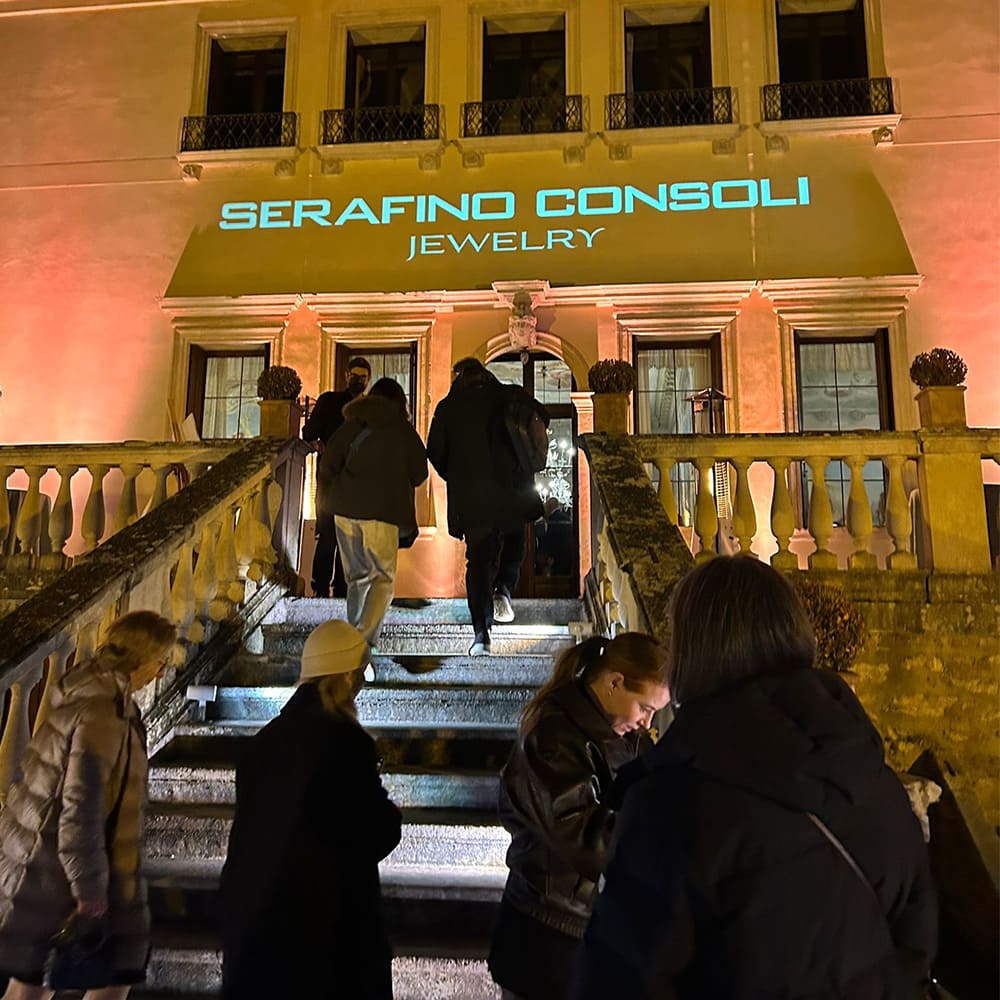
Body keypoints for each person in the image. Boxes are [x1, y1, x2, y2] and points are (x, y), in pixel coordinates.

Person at [574, 556, 938, 1000]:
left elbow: (623, 978)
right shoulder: (874, 782)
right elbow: (915, 944)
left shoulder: (674, 805)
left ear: (691, 653)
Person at [220, 619, 402, 1000]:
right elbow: (375, 831)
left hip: (258, 935)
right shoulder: (344, 741)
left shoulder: (264, 743)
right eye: (359, 675)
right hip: (325, 941)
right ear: (345, 677)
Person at [0, 610, 177, 1000]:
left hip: (47, 872)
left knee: (33, 984)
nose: (162, 670)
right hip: (56, 877)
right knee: (52, 983)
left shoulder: (94, 699)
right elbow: (81, 811)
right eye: (160, 659)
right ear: (139, 658)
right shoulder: (102, 715)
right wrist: (91, 897)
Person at [489, 632, 670, 1000]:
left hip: (582, 923)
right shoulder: (554, 738)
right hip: (548, 930)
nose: (647, 722)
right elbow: (582, 835)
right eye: (645, 707)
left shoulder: (621, 732)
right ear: (614, 682)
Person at [427, 357, 549, 655]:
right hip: (513, 491)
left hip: (472, 498)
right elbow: (542, 416)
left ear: (458, 376)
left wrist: (458, 475)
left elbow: (435, 452)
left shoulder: (449, 407)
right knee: (514, 540)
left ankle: (481, 633)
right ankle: (504, 588)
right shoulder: (509, 394)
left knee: (479, 562)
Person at [320, 377, 428, 648]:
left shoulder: (352, 425)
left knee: (356, 578)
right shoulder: (401, 429)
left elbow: (329, 461)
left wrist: (332, 496)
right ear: (399, 402)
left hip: (345, 510)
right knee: (382, 578)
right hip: (383, 513)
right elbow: (420, 472)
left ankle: (354, 638)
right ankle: (362, 641)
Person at [301, 356, 372, 598]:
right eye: (355, 376)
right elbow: (308, 433)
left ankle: (325, 588)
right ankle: (331, 587)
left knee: (335, 535)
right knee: (335, 535)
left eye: (362, 377)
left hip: (342, 480)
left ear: (368, 380)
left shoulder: (335, 402)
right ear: (346, 376)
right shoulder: (337, 403)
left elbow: (309, 433)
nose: (358, 381)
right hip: (337, 480)